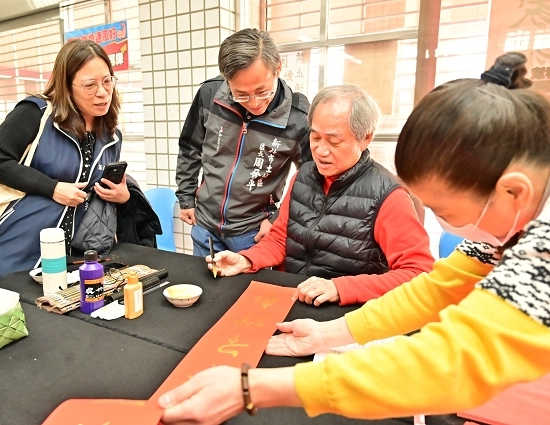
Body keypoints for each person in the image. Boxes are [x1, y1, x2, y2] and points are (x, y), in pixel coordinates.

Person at [158, 73, 550, 422]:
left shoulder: (540, 253)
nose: (439, 221)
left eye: (444, 211)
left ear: (514, 192)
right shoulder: (498, 238)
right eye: (315, 138)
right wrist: (330, 334)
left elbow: (449, 362)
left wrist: (252, 388)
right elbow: (433, 290)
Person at [206, 85, 434, 306]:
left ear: (365, 138)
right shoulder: (303, 176)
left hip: (345, 314)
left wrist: (341, 288)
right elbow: (281, 238)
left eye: (334, 141)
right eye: (315, 138)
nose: (321, 151)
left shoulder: (388, 195)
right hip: (292, 299)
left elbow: (419, 274)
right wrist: (248, 259)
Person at [0, 40, 131, 285]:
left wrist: (122, 197)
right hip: (14, 255)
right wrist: (52, 188)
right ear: (66, 85)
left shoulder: (111, 136)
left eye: (107, 81)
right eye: (90, 85)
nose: (102, 92)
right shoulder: (36, 113)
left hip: (72, 262)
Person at [176, 28, 311, 256]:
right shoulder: (210, 94)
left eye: (262, 91)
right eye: (241, 94)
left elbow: (309, 179)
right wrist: (186, 197)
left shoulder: (298, 118)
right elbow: (190, 147)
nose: (254, 103)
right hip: (205, 225)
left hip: (254, 232)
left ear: (277, 67)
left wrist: (278, 220)